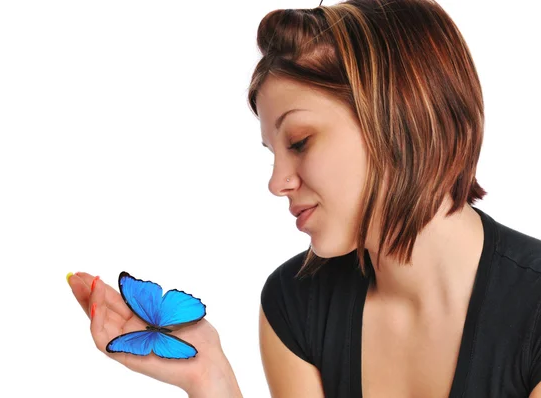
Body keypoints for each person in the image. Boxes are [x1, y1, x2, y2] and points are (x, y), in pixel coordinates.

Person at [67, 0, 541, 396]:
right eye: (273, 153)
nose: (277, 182)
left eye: (299, 141)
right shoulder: (296, 305)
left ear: (402, 118)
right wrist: (208, 378)